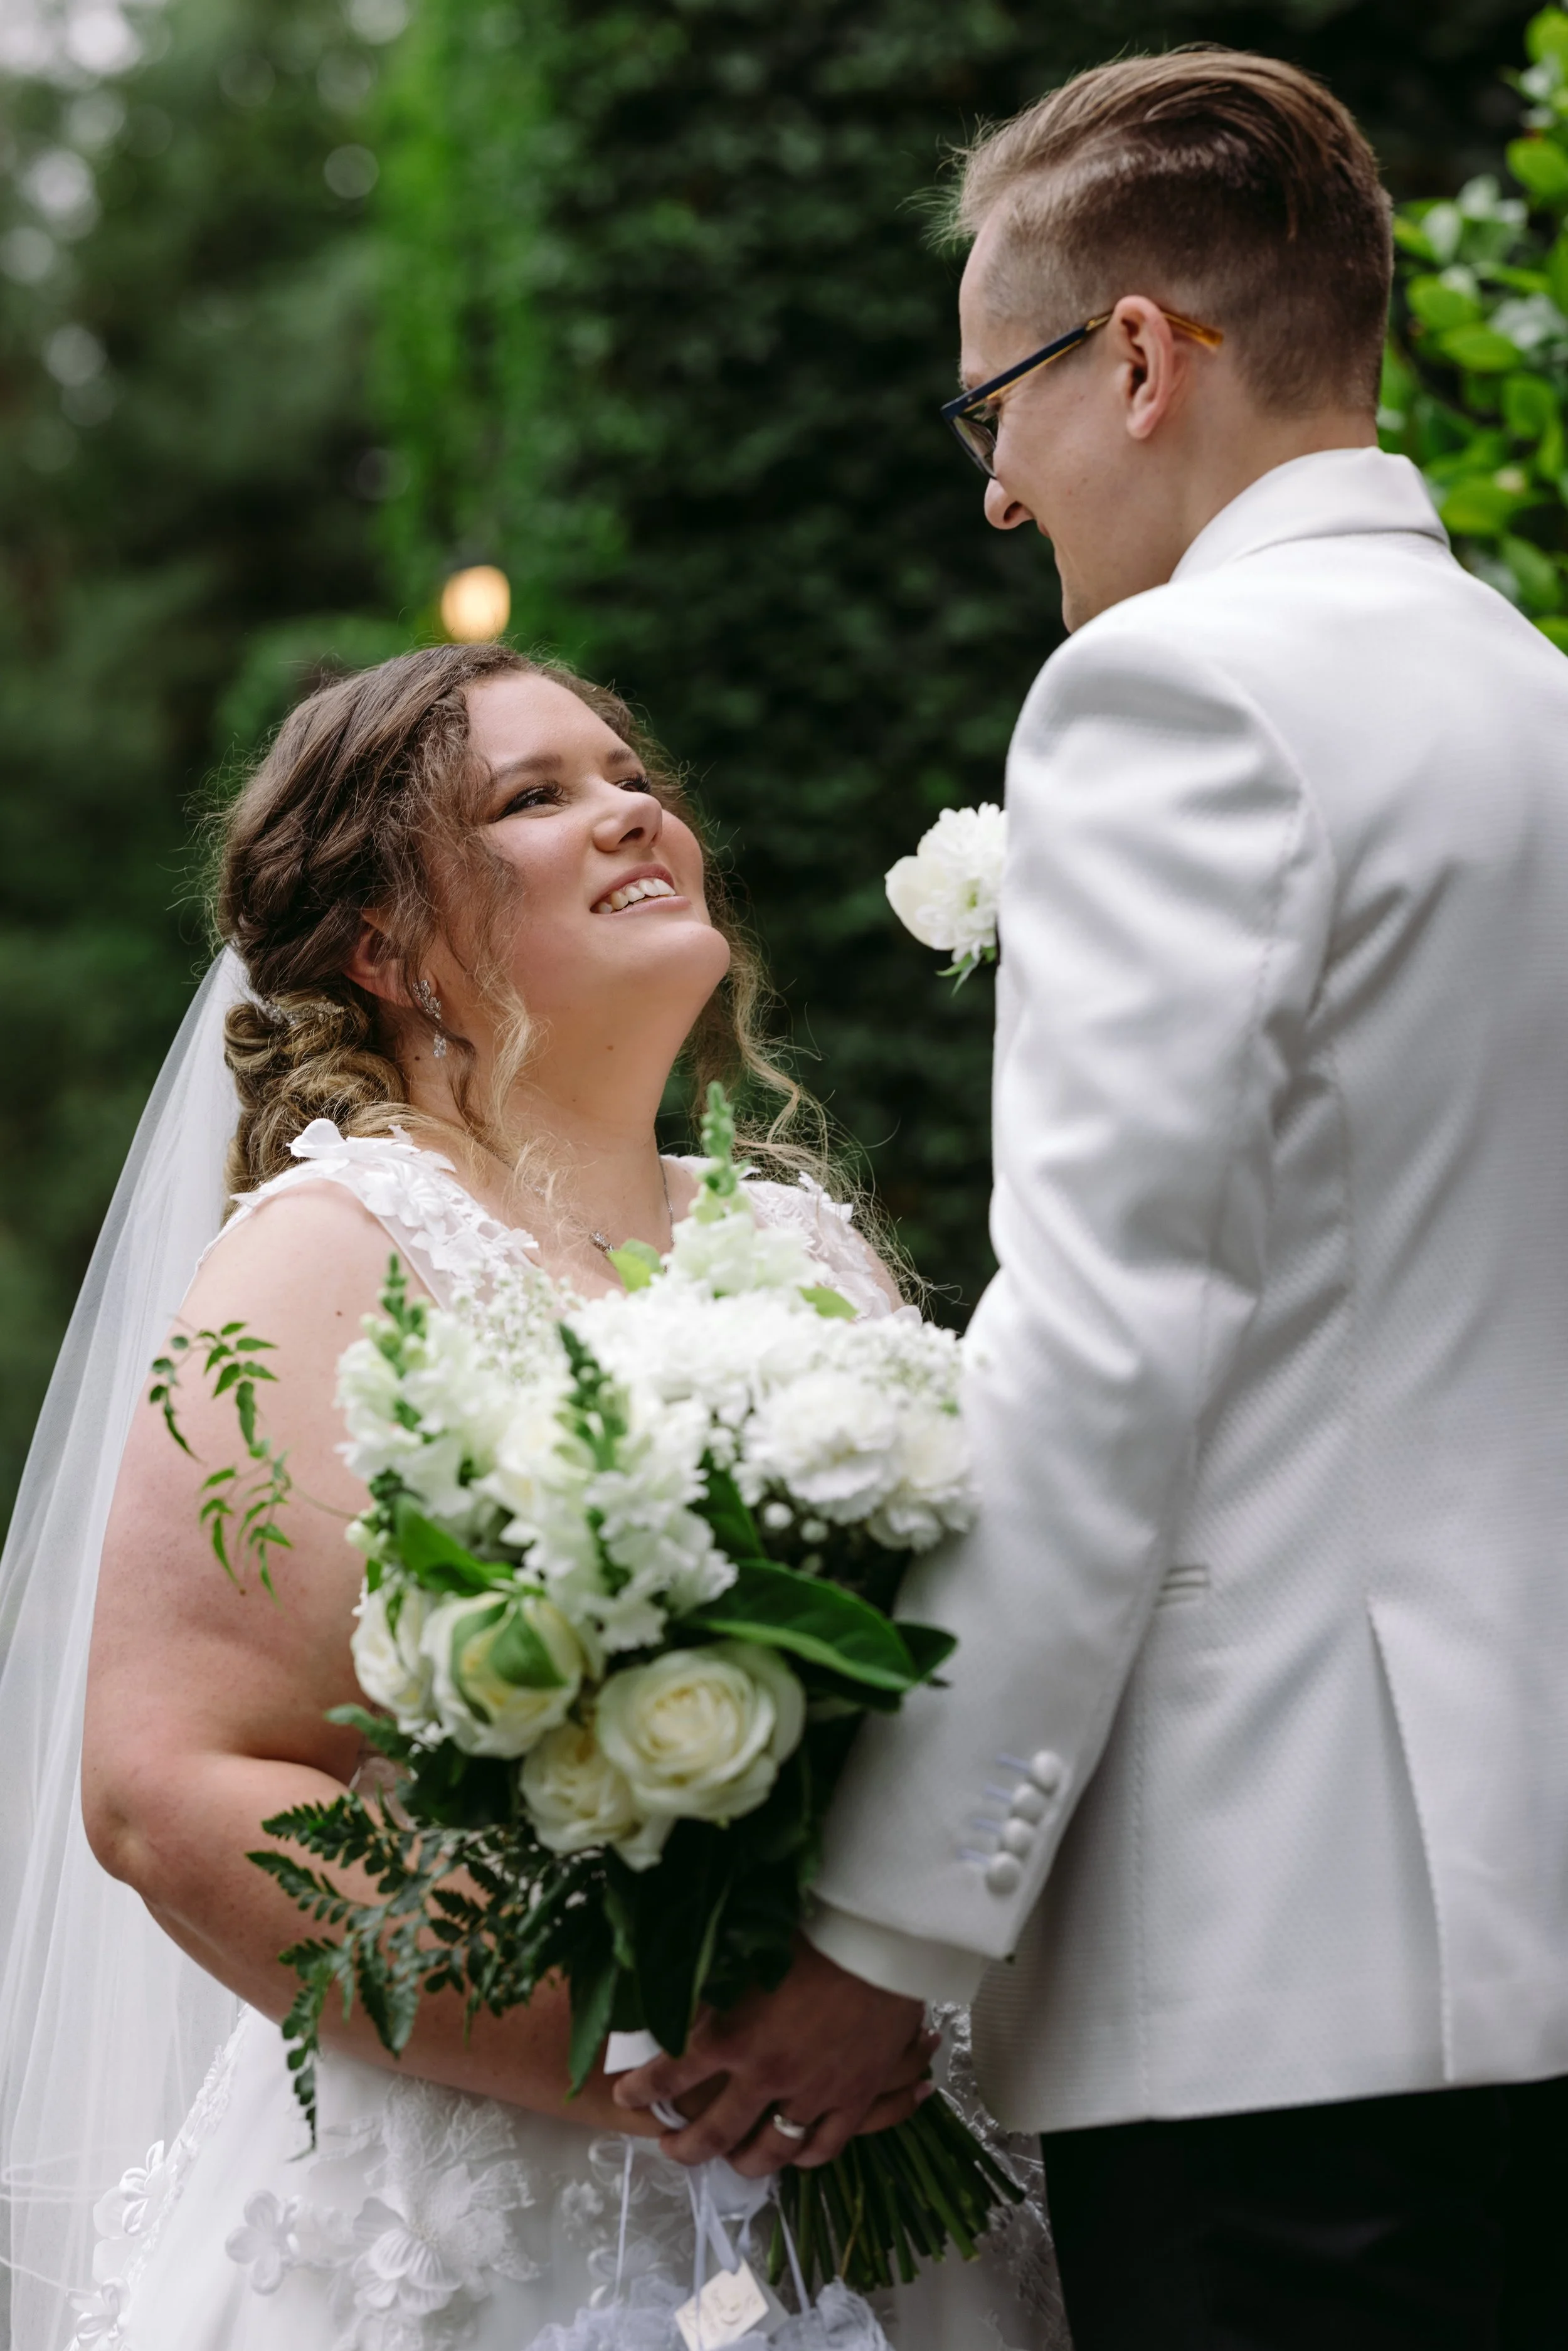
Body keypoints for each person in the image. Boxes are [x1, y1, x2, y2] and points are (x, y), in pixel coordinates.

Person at [614, 50, 1568, 2349]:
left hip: (1281, 1980)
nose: (998, 499)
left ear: (1133, 354)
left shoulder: (1176, 699)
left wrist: (888, 1938)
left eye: (992, 414)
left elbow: (1106, 1340)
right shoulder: (1525, 693)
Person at [0, 645, 1055, 2349]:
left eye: (630, 772)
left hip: (886, 2141)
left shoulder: (802, 1245)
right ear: (383, 943)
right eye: (531, 796)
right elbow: (161, 1785)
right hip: (506, 2217)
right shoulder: (328, 1253)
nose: (632, 807)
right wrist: (650, 2042)